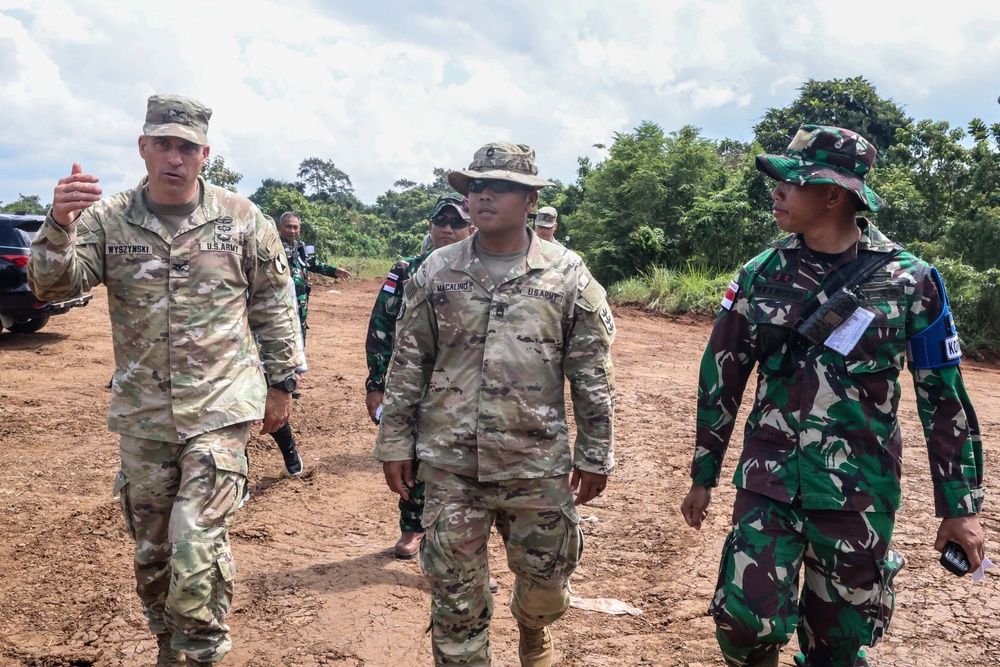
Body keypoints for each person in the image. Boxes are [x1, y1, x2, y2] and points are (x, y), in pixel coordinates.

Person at [680, 125, 985, 667]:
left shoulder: (913, 281)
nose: (775, 192)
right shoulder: (759, 273)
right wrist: (704, 475)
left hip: (858, 491)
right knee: (745, 624)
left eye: (789, 183)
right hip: (768, 480)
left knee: (839, 644)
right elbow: (721, 375)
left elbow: (943, 396)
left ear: (832, 193)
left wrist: (959, 508)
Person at [28, 94, 303, 667]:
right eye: (163, 144)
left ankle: (201, 653)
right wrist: (58, 226)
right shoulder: (108, 219)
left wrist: (282, 384)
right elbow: (53, 288)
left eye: (186, 147)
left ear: (204, 153)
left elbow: (274, 303)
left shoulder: (243, 219)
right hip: (145, 414)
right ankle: (167, 647)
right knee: (152, 553)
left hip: (222, 408)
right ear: (143, 147)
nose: (174, 157)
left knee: (195, 542)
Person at [375, 142, 616, 667]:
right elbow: (409, 361)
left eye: (500, 186)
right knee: (456, 603)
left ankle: (533, 629)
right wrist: (394, 439)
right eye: (476, 187)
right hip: (452, 463)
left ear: (530, 199)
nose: (484, 195)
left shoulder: (567, 274)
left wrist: (596, 452)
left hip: (536, 464)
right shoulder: (437, 271)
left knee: (547, 586)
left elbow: (591, 371)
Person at [364, 192, 474, 559]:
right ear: (430, 225)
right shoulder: (406, 270)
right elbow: (381, 324)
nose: (447, 228)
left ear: (470, 227)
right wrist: (375, 383)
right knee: (409, 453)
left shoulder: (482, 271)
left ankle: (466, 549)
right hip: (411, 381)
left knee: (462, 465)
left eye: (456, 222)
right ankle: (412, 526)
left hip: (462, 386)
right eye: (440, 221)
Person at [278, 211, 352, 346]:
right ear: (279, 228)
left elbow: (314, 264)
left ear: (300, 229)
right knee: (280, 333)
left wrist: (334, 271)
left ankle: (298, 362)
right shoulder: (272, 247)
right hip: (280, 301)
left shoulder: (301, 248)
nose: (292, 230)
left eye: (296, 227)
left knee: (300, 331)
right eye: (288, 227)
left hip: (301, 301)